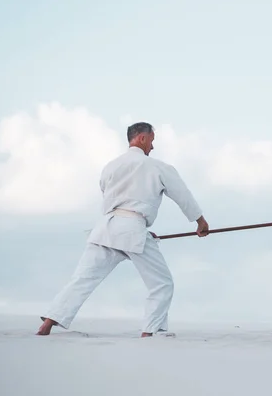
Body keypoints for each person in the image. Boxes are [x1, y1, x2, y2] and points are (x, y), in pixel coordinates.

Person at [37, 122, 209, 337]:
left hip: (105, 230)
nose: (153, 147)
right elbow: (182, 194)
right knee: (162, 283)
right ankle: (150, 332)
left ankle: (46, 325)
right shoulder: (158, 167)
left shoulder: (110, 166)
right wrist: (200, 221)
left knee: (82, 280)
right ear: (142, 138)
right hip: (132, 230)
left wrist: (140, 227)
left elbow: (112, 198)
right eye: (152, 141)